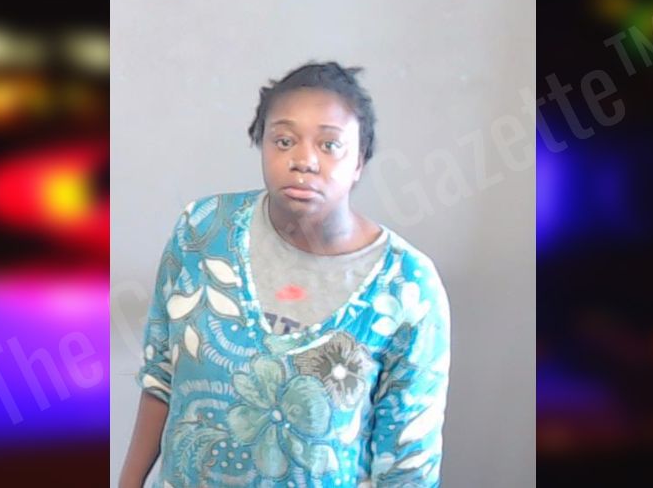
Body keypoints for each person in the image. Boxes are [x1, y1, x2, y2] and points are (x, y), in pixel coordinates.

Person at [119, 62, 451, 488]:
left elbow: (408, 468)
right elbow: (160, 376)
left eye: (329, 145)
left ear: (359, 161)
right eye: (284, 140)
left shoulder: (407, 286)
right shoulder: (202, 230)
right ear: (261, 145)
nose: (304, 160)